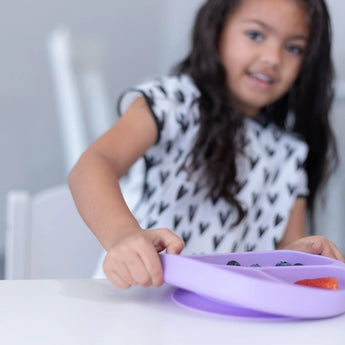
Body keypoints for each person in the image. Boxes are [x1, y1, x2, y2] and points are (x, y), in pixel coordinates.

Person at [69, 0, 345, 289]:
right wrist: (123, 236)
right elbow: (92, 165)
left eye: (293, 48)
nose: (273, 58)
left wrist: (305, 255)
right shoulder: (172, 103)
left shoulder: (289, 155)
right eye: (255, 35)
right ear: (217, 30)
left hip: (223, 324)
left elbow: (286, 258)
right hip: (139, 303)